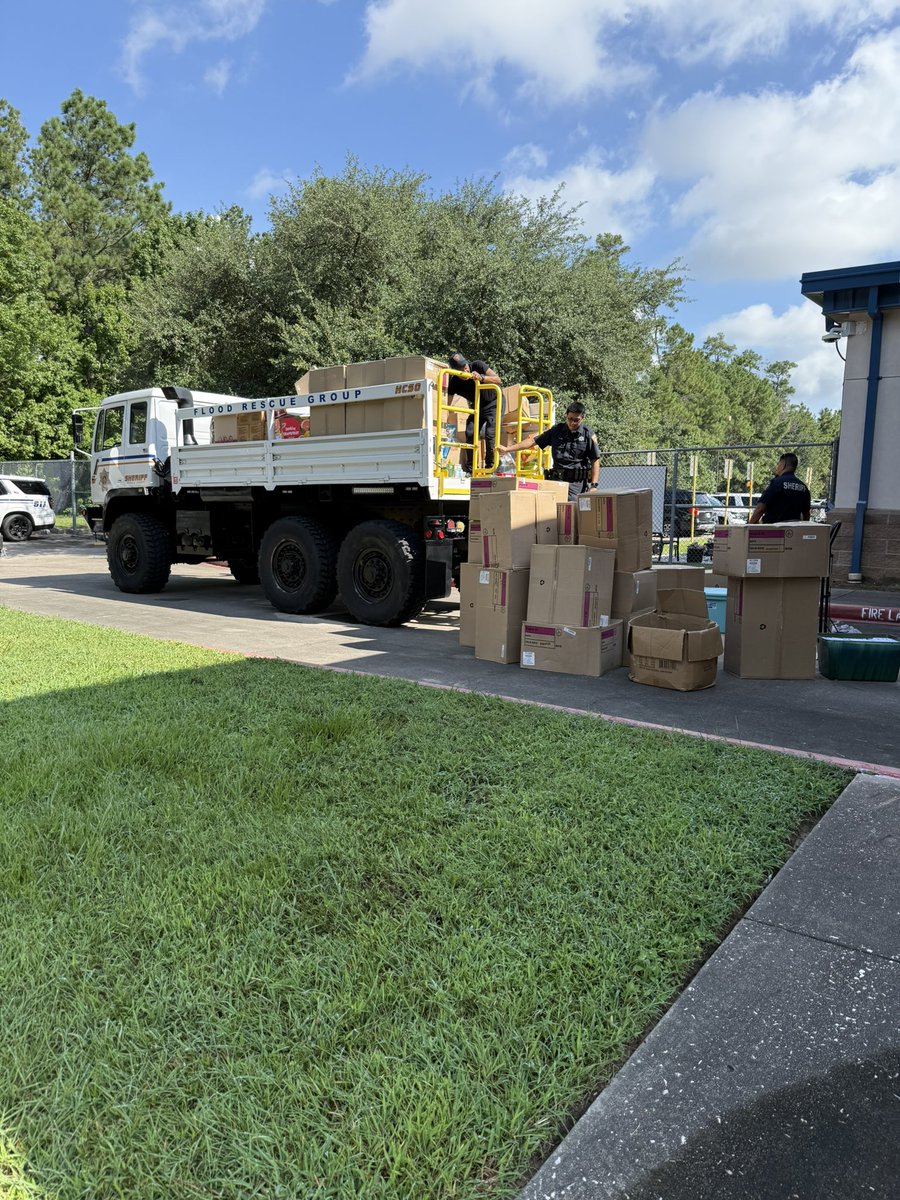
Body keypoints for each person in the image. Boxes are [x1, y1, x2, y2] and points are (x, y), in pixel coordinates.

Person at [499, 402, 600, 500]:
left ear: (582, 418)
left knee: (572, 510)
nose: (572, 423)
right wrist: (507, 449)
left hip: (576, 484)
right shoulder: (556, 431)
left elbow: (595, 460)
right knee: (551, 511)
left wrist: (594, 485)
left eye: (576, 420)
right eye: (570, 419)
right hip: (556, 480)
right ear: (566, 416)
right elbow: (532, 441)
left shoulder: (587, 435)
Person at [447, 351, 501, 474]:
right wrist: (447, 422)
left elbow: (498, 380)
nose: (465, 369)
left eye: (465, 365)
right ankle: (471, 469)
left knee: (490, 433)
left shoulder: (478, 365)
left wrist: (482, 377)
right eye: (461, 368)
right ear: (456, 371)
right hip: (478, 406)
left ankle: (490, 468)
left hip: (494, 402)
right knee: (470, 430)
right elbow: (447, 404)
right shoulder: (454, 381)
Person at [749, 452, 812, 524]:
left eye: (778, 464)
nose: (777, 467)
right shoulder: (803, 488)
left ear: (783, 465)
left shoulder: (775, 483)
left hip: (773, 530)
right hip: (793, 530)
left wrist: (748, 528)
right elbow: (806, 514)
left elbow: (760, 509)